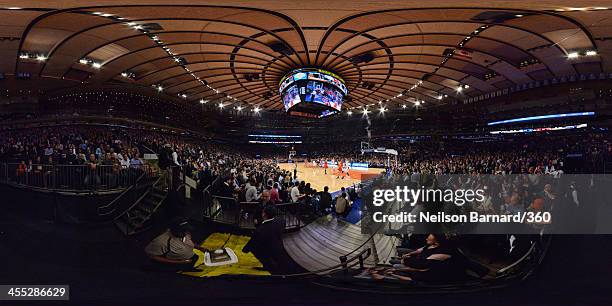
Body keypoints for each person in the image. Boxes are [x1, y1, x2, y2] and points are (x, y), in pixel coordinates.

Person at [369, 233, 455, 282]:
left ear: (436, 241)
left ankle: (387, 275)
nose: (426, 239)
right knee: (395, 265)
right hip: (416, 266)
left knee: (395, 265)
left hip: (417, 268)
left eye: (429, 239)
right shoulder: (428, 247)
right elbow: (419, 255)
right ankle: (393, 268)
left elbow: (419, 270)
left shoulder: (437, 257)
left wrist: (394, 273)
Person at [144, 221, 208, 272]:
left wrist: (200, 248)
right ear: (174, 230)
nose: (186, 233)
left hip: (188, 258)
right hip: (175, 261)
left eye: (186, 230)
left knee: (195, 258)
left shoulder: (184, 233)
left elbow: (188, 242)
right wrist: (179, 262)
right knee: (168, 271)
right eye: (183, 231)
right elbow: (152, 256)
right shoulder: (161, 241)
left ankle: (188, 268)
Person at [242, 205, 286, 273]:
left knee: (255, 248)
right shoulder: (281, 221)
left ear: (263, 214)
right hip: (279, 247)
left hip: (268, 250)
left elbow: (252, 243)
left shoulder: (260, 230)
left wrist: (245, 250)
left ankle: (268, 265)